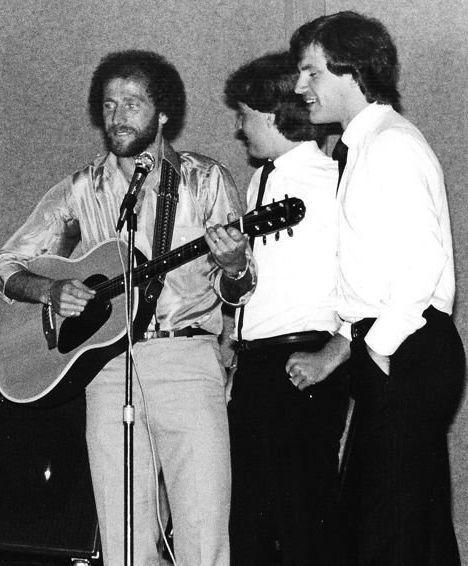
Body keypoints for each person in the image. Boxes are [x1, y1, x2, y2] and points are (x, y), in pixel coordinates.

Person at [0, 50, 254, 566]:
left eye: (133, 103)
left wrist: (236, 264)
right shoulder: (81, 189)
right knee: (123, 539)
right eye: (109, 105)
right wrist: (49, 291)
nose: (118, 116)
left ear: (164, 113)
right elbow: (3, 266)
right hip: (107, 370)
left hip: (187, 361)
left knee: (202, 530)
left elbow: (239, 290)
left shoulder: (205, 180)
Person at [289, 11, 463, 564]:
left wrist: (379, 349)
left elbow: (420, 267)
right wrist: (348, 348)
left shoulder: (390, 146)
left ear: (352, 71)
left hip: (405, 348)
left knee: (386, 534)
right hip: (398, 349)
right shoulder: (366, 146)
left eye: (311, 72)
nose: (300, 87)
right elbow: (370, 277)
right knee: (412, 531)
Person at [222, 51, 349, 565]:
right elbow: (252, 287)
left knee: (304, 518)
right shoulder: (260, 181)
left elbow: (362, 278)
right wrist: (233, 277)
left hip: (303, 363)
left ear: (272, 114)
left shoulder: (331, 179)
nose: (238, 128)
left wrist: (334, 352)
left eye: (243, 114)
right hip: (258, 366)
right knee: (249, 518)